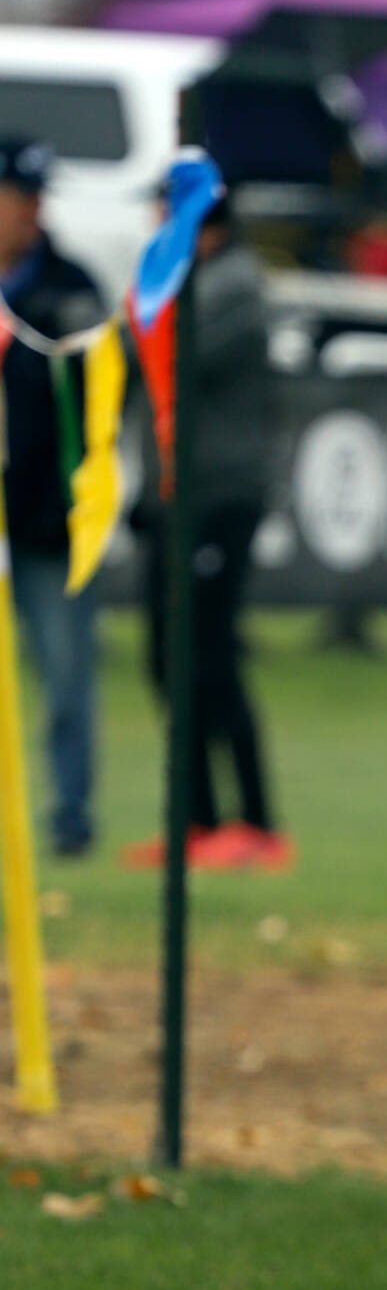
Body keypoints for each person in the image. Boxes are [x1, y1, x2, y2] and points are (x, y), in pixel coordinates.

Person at [123, 191, 292, 873]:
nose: (154, 229)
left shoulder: (234, 287)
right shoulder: (190, 284)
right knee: (168, 661)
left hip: (218, 498)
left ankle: (256, 823)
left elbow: (164, 352)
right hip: (173, 498)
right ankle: (196, 819)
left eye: (166, 216)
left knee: (211, 659)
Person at [0, 136, 107, 857]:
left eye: (39, 196)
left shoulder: (70, 286)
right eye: (20, 194)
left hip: (45, 522)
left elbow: (99, 393)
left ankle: (70, 818)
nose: (32, 210)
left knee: (67, 673)